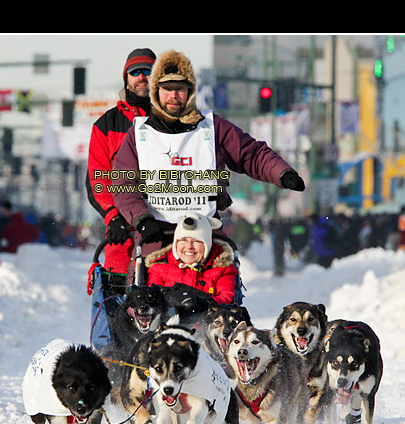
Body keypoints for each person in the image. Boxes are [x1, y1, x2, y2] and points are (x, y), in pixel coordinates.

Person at [110, 49, 305, 270]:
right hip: (156, 233)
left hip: (206, 233)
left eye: (180, 90)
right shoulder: (139, 134)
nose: (173, 96)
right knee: (142, 295)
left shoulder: (213, 127)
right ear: (157, 92)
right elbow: (123, 184)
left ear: (190, 92)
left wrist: (282, 173)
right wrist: (142, 220)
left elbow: (251, 154)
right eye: (167, 89)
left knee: (221, 288)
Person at [86, 47, 156, 275]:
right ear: (126, 81)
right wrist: (112, 216)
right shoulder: (106, 125)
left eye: (148, 70)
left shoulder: (175, 118)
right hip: (124, 221)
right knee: (117, 267)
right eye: (135, 72)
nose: (142, 77)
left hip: (167, 217)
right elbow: (98, 178)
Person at [146, 211, 237, 305]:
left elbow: (225, 299)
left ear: (207, 245)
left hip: (207, 316)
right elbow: (153, 300)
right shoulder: (159, 268)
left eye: (196, 241)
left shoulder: (222, 269)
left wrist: (200, 302)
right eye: (184, 240)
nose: (189, 246)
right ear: (176, 244)